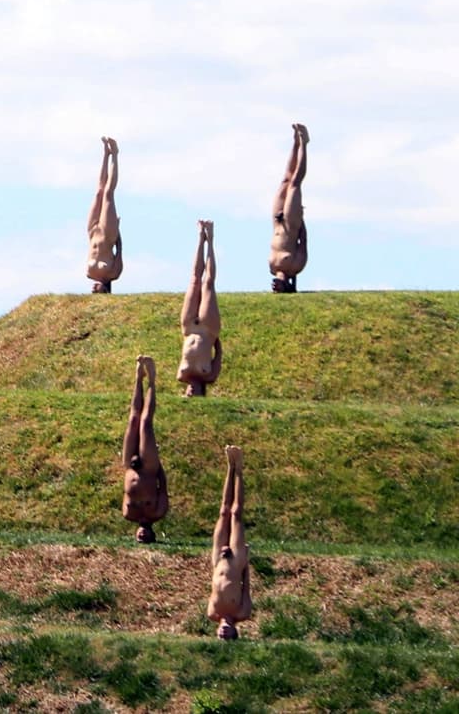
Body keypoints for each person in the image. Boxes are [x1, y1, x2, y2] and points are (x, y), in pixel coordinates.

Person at [122, 355, 168, 543]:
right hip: (149, 468)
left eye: (140, 538)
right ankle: (152, 380)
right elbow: (163, 486)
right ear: (153, 535)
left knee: (133, 420)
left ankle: (138, 377)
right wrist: (158, 464)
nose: (142, 535)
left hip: (130, 466)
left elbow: (126, 491)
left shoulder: (127, 514)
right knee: (145, 423)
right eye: (146, 537)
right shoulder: (158, 512)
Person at [207, 445, 252, 640]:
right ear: (236, 632)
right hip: (235, 563)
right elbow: (246, 588)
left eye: (220, 635)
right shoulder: (242, 613)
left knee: (224, 511)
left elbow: (214, 587)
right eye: (228, 634)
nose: (223, 632)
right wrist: (245, 563)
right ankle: (239, 470)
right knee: (235, 514)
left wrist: (219, 561)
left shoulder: (211, 613)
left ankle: (229, 467)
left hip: (218, 561)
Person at [177, 220, 222, 397]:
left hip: (188, 328)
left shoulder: (181, 375)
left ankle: (199, 238)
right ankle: (209, 239)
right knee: (208, 283)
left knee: (195, 280)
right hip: (207, 330)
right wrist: (214, 337)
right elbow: (219, 356)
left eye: (188, 394)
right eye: (194, 395)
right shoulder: (210, 376)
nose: (191, 392)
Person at [269, 123, 309, 293]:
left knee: (285, 181)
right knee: (294, 184)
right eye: (278, 289)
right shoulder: (295, 267)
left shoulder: (272, 267)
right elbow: (304, 242)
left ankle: (295, 142)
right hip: (292, 223)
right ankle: (304, 143)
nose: (274, 287)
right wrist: (300, 220)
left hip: (277, 222)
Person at [86, 136, 124, 293]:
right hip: (109, 236)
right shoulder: (113, 274)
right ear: (106, 290)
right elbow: (120, 251)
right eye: (97, 290)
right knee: (108, 193)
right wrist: (117, 232)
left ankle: (105, 154)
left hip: (93, 233)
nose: (94, 289)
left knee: (99, 193)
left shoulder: (89, 273)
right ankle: (114, 154)